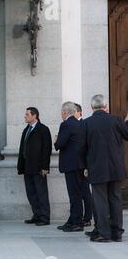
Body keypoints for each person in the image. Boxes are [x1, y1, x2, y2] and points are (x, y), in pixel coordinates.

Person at [83, 94, 128, 242]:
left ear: (91, 107)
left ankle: (104, 233)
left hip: (97, 167)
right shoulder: (116, 120)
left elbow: (83, 148)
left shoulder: (87, 123)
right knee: (115, 199)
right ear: (106, 106)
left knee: (100, 200)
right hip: (116, 167)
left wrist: (85, 166)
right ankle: (117, 233)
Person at [54, 102, 86, 232]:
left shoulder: (66, 124)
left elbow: (60, 143)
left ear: (64, 112)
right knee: (77, 194)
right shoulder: (80, 124)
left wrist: (56, 140)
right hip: (80, 164)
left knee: (74, 195)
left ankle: (77, 222)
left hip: (71, 165)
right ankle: (73, 220)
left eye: (61, 112)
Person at [17, 107, 52, 226]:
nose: (25, 116)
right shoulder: (26, 129)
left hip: (38, 168)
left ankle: (45, 217)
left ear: (34, 115)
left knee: (41, 193)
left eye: (27, 114)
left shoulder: (43, 129)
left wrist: (45, 167)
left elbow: (47, 149)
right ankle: (37, 215)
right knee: (31, 193)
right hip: (27, 167)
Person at [74, 103, 93, 226]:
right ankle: (78, 216)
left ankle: (87, 217)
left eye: (74, 111)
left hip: (84, 165)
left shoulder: (84, 123)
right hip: (75, 164)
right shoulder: (70, 124)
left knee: (85, 192)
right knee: (77, 192)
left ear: (80, 112)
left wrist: (86, 165)